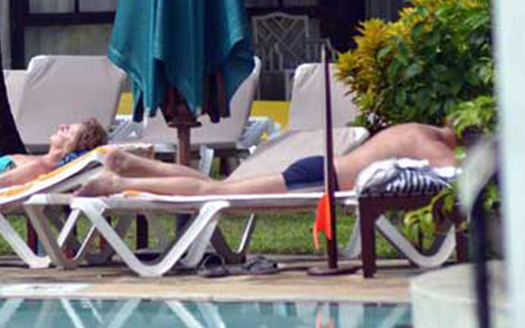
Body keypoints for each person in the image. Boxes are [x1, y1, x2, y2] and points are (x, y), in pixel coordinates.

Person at [76, 123, 457, 197]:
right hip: (316, 178)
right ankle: (119, 182)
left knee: (217, 186)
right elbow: (457, 176)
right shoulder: (426, 140)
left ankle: (131, 165)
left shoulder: (418, 128)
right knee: (212, 192)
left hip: (319, 169)